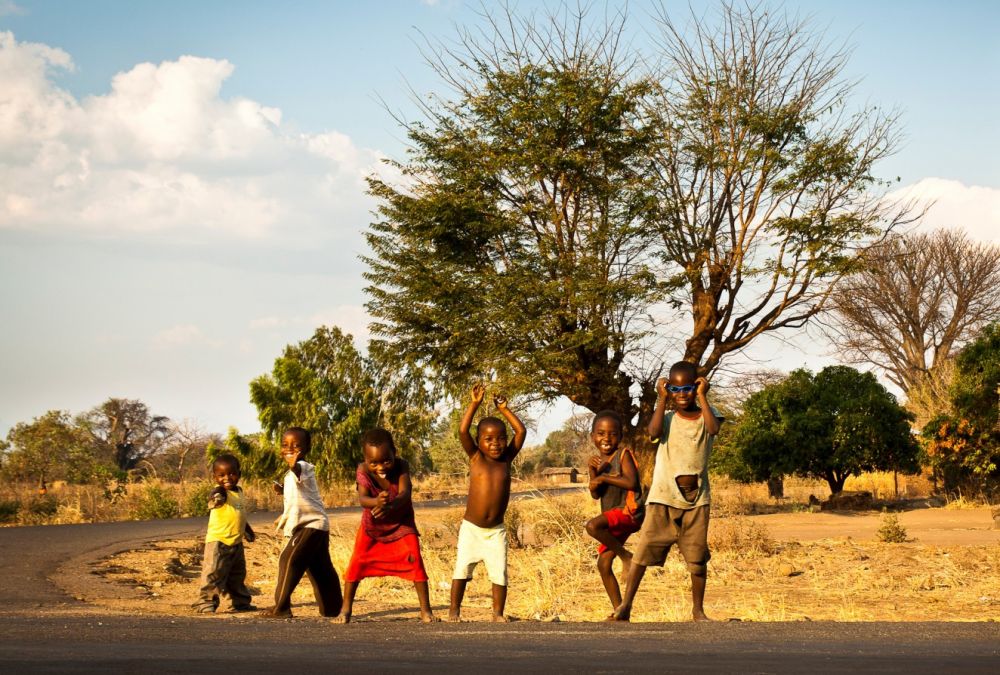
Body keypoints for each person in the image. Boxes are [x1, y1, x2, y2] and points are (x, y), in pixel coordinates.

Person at [611, 361, 723, 622]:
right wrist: (661, 399)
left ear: (696, 386)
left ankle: (698, 610)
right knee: (643, 552)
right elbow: (652, 431)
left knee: (696, 559)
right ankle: (626, 606)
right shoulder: (668, 418)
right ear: (669, 389)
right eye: (675, 388)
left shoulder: (709, 413)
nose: (681, 394)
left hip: (697, 501)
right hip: (663, 497)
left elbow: (713, 429)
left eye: (687, 388)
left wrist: (703, 398)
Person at [338, 428, 437, 623]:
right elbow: (363, 499)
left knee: (414, 559)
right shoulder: (363, 470)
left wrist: (389, 506)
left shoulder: (402, 467)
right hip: (372, 527)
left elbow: (405, 493)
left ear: (395, 453)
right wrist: (377, 502)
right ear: (365, 459)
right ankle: (345, 610)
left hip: (401, 523)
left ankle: (426, 610)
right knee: (357, 562)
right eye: (373, 462)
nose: (380, 467)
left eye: (386, 461)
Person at [448, 383, 527, 622]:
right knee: (461, 569)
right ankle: (454, 611)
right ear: (479, 441)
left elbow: (521, 432)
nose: (496, 443)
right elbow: (462, 432)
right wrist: (474, 404)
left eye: (501, 438)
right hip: (471, 529)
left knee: (499, 573)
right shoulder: (475, 458)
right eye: (489, 439)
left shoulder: (506, 459)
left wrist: (504, 409)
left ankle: (497, 613)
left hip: (496, 531)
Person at [259, 427, 343, 618]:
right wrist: (282, 493)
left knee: (288, 560)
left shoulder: (303, 466)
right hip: (317, 526)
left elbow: (297, 470)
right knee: (320, 568)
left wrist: (293, 465)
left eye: (296, 446)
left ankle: (281, 608)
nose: (290, 449)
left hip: (310, 526)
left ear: (306, 448)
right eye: (285, 445)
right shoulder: (290, 476)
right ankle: (333, 609)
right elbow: (298, 498)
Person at [583, 410, 644, 613]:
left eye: (612, 434)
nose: (606, 438)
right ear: (593, 436)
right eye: (601, 433)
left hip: (628, 512)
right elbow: (595, 494)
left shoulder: (623, 455)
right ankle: (620, 611)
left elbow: (631, 482)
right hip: (613, 516)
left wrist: (603, 477)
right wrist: (594, 474)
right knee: (603, 564)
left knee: (592, 526)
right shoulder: (598, 463)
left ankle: (626, 556)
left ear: (620, 436)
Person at [193, 454, 256, 613]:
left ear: (239, 474)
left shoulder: (239, 492)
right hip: (218, 542)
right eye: (221, 475)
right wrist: (217, 497)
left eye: (231, 473)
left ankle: (239, 603)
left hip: (236, 543)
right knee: (213, 574)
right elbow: (214, 497)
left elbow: (240, 514)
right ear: (215, 477)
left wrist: (247, 530)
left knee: (237, 576)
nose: (227, 478)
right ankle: (205, 602)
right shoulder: (220, 492)